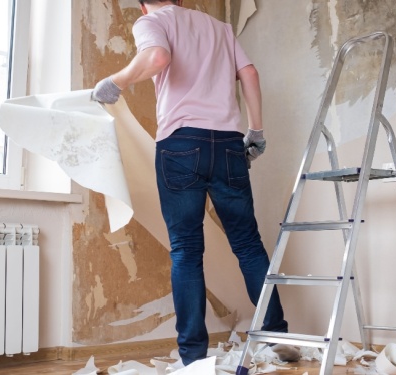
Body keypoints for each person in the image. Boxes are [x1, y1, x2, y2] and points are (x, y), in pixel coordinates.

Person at [91, 0, 298, 367]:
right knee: (249, 245)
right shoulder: (218, 28)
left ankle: (193, 357)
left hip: (182, 144)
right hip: (230, 144)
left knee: (186, 250)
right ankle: (276, 335)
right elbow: (249, 74)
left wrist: (116, 81)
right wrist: (256, 132)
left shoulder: (152, 21)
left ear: (142, 6)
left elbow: (156, 58)